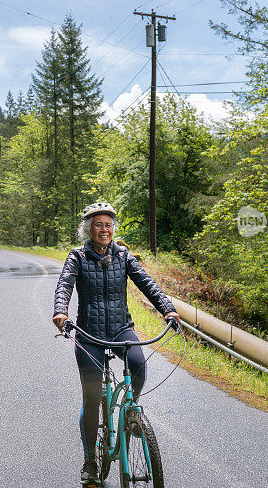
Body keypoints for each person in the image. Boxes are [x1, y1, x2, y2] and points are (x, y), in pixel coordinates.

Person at [53, 202, 180, 486]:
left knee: (138, 365)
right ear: (88, 229)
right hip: (89, 334)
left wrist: (167, 308)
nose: (104, 229)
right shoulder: (77, 256)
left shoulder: (123, 255)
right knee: (92, 398)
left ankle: (132, 413)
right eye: (98, 225)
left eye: (108, 225)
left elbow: (147, 283)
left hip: (122, 328)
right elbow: (64, 285)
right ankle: (89, 461)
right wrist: (61, 311)